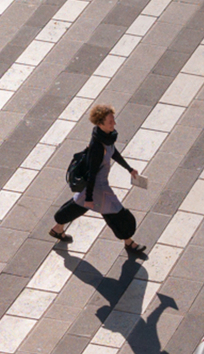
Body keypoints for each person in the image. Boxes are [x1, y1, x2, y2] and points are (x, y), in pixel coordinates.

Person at [47, 104, 148, 255]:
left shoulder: (105, 137)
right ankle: (129, 242)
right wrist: (89, 198)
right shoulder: (97, 147)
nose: (114, 123)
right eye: (110, 121)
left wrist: (129, 169)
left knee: (79, 205)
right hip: (97, 187)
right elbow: (92, 174)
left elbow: (113, 152)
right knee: (116, 213)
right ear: (100, 124)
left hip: (98, 186)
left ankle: (58, 228)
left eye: (113, 119)